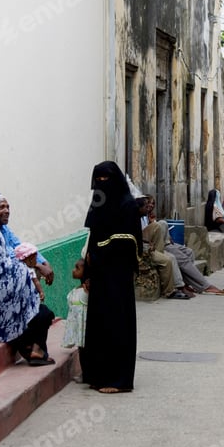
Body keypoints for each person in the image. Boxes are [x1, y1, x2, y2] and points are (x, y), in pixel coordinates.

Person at [83, 161, 143, 393]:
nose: (102, 183)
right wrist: (87, 271)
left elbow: (129, 241)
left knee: (117, 323)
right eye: (98, 179)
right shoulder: (98, 204)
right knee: (99, 324)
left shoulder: (127, 206)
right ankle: (98, 375)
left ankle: (118, 380)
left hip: (117, 276)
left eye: (106, 178)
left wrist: (100, 254)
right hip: (99, 274)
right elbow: (93, 238)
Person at [0, 226, 56, 365]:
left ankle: (29, 347)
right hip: (8, 332)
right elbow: (31, 301)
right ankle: (36, 351)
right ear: (2, 244)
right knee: (44, 313)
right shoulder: (16, 267)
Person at [143, 196, 224, 295]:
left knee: (189, 252)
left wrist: (153, 222)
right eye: (148, 204)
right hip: (156, 245)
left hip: (165, 242)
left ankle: (187, 283)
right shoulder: (139, 216)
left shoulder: (149, 216)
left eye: (153, 203)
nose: (151, 206)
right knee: (180, 257)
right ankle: (205, 286)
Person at [137, 196, 190, 299]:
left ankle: (182, 285)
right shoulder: (133, 218)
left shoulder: (145, 217)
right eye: (146, 207)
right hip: (140, 249)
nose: (148, 208)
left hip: (149, 246)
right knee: (168, 260)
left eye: (151, 205)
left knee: (160, 224)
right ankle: (169, 291)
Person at [62, 258, 89, 383]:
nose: (73, 270)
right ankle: (85, 373)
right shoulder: (78, 289)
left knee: (86, 351)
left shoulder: (86, 290)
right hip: (78, 327)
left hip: (85, 328)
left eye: (77, 268)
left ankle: (87, 374)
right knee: (81, 351)